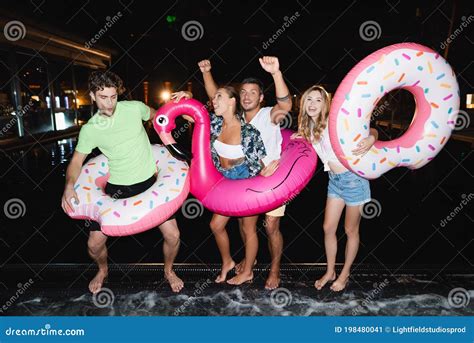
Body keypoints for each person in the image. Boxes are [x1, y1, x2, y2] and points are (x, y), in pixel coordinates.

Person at [61, 71, 184, 294]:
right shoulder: (90, 129)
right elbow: (77, 161)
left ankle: (168, 270)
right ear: (92, 96)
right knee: (93, 244)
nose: (109, 103)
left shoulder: (134, 108)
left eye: (113, 97)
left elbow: (159, 118)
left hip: (150, 183)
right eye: (103, 97)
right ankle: (102, 270)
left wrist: (179, 106)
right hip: (117, 189)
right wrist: (69, 186)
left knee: (173, 235)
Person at [198, 56, 292, 290]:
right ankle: (249, 260)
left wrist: (276, 73)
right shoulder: (237, 118)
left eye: (253, 92)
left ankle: (274, 269)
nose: (247, 96)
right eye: (244, 92)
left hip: (272, 178)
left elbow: (286, 105)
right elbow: (216, 96)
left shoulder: (270, 114)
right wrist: (206, 72)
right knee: (243, 225)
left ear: (261, 97)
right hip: (246, 178)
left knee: (270, 226)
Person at [173, 86, 266, 285]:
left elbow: (259, 163)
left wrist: (266, 174)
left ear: (232, 101)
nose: (214, 100)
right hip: (224, 180)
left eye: (219, 97)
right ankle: (227, 262)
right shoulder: (214, 123)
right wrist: (187, 97)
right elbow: (192, 115)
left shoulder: (249, 131)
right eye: (214, 97)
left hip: (245, 180)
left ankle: (248, 271)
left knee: (249, 228)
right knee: (215, 225)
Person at [293, 85, 378, 291]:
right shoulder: (310, 127)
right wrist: (302, 138)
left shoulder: (336, 122)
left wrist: (371, 138)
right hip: (334, 181)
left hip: (354, 180)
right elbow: (321, 146)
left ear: (326, 104)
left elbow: (372, 128)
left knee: (350, 230)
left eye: (318, 100)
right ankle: (330, 270)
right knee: (328, 228)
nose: (312, 104)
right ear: (304, 104)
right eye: (309, 99)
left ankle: (345, 273)